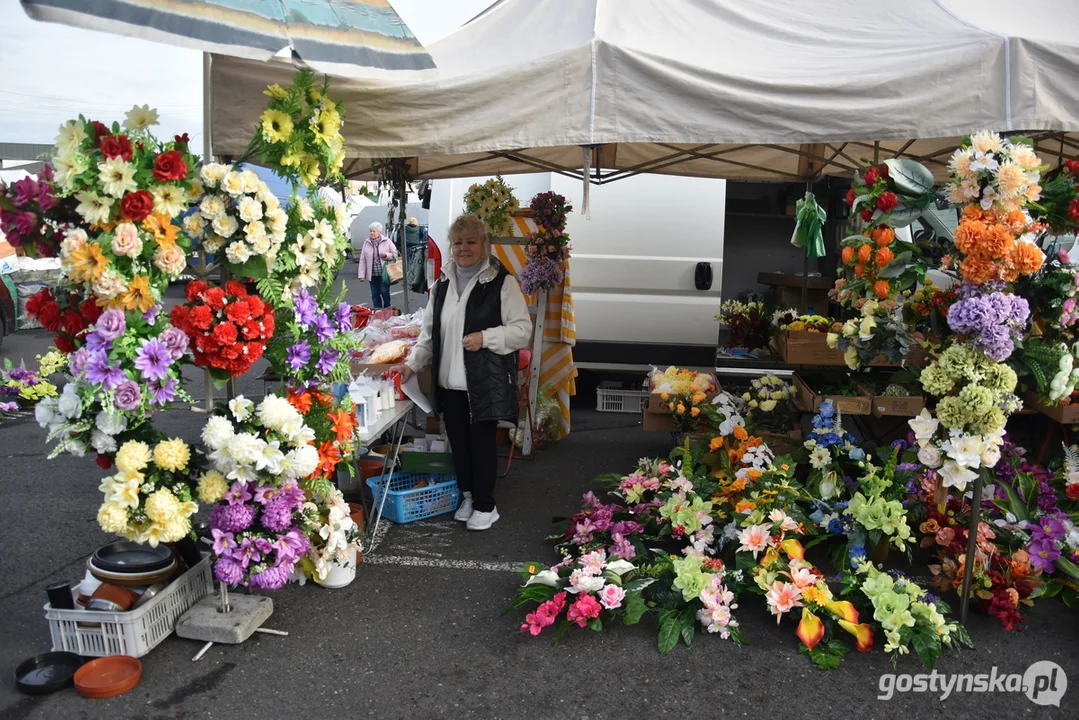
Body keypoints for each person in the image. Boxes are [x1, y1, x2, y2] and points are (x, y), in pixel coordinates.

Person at [392, 215, 532, 531]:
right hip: (448, 384)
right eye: (458, 242)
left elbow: (523, 331)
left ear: (484, 245)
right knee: (459, 442)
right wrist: (411, 364)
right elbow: (428, 335)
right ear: (451, 247)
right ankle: (469, 495)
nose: (464, 248)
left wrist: (487, 338)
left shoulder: (501, 282)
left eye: (471, 241)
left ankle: (486, 505)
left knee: (481, 444)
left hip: (482, 382)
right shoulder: (440, 285)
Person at [358, 222, 398, 309]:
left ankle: (388, 309)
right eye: (370, 231)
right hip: (372, 274)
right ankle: (378, 312)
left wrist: (386, 255)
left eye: (374, 231)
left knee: (384, 291)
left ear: (379, 232)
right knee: (375, 294)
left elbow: (395, 254)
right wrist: (361, 275)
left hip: (384, 273)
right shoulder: (366, 242)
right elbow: (362, 259)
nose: (371, 233)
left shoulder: (387, 241)